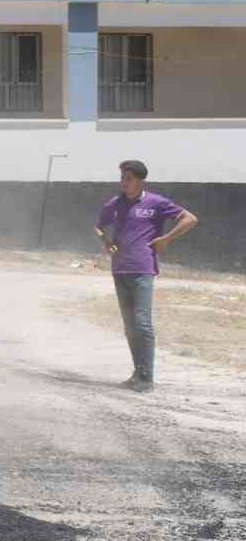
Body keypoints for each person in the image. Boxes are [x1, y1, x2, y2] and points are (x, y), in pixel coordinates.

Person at [94, 159, 197, 393]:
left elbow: (190, 218)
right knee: (130, 325)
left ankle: (147, 378)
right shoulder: (116, 203)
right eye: (122, 178)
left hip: (143, 270)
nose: (123, 183)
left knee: (142, 323)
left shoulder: (156, 203)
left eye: (128, 179)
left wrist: (167, 238)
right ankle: (137, 373)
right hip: (119, 270)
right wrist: (105, 242)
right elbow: (99, 226)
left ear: (141, 181)